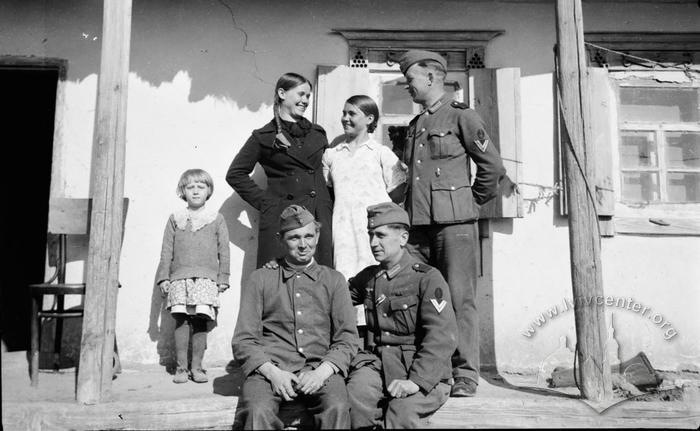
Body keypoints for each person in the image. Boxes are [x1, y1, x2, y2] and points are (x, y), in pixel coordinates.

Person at [397, 50, 506, 397]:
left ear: (430, 77)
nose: (407, 87)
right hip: (417, 227)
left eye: (410, 79)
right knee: (419, 297)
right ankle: (430, 370)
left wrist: (469, 204)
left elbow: (492, 168)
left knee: (459, 299)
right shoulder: (415, 125)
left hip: (454, 226)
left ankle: (465, 375)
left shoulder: (462, 116)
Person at [232, 204, 359, 430]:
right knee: (257, 411)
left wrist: (322, 372)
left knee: (337, 407)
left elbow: (347, 338)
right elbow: (244, 340)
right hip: (272, 369)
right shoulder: (261, 279)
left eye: (309, 236)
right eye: (294, 238)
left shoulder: (334, 280)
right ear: (281, 239)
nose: (303, 245)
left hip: (320, 368)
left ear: (318, 235)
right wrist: (273, 373)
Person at [345, 202, 458, 429]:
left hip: (422, 370)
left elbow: (442, 336)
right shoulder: (369, 278)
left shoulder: (427, 278)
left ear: (403, 238)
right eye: (370, 235)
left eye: (381, 235)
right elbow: (333, 296)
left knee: (401, 413)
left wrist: (416, 382)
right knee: (354, 398)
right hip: (377, 365)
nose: (373, 243)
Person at [226, 73, 333, 268]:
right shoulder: (264, 136)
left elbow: (329, 173)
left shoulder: (317, 134)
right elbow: (235, 174)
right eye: (301, 94)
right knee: (278, 284)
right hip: (284, 221)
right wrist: (268, 204)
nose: (305, 101)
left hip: (317, 218)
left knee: (318, 284)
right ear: (282, 93)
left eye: (308, 96)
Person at [156, 168, 230, 384]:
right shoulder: (175, 219)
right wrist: (164, 277)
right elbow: (166, 250)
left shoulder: (216, 219)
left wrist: (223, 277)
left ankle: (197, 367)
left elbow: (224, 249)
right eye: (190, 187)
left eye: (201, 187)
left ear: (208, 191)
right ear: (183, 191)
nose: (196, 191)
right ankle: (181, 368)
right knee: (181, 320)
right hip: (180, 278)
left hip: (206, 279)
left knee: (200, 321)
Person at [321, 95, 406, 280]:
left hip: (374, 230)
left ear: (369, 119)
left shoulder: (381, 153)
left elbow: (399, 193)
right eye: (343, 113)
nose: (345, 118)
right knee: (345, 280)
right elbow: (328, 193)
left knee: (377, 278)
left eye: (352, 113)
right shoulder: (331, 155)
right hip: (343, 229)